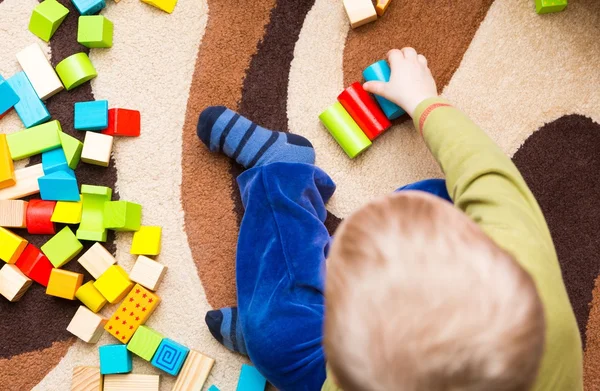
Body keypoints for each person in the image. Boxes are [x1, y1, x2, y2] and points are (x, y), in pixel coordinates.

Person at [198, 47, 583, 391]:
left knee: (273, 341)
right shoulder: (519, 252)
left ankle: (281, 171)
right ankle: (274, 309)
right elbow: (483, 170)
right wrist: (423, 101)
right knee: (446, 199)